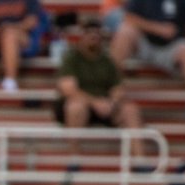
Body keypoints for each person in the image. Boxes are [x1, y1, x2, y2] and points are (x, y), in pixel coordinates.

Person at [54, 17, 146, 155]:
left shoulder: (107, 61)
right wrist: (94, 102)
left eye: (96, 33)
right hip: (83, 106)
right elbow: (68, 89)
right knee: (75, 107)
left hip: (106, 107)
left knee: (130, 110)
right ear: (82, 36)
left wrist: (111, 103)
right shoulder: (72, 58)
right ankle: (74, 158)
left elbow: (118, 89)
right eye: (89, 33)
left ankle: (141, 161)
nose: (93, 36)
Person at [109, 0, 185, 85]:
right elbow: (129, 18)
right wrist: (158, 28)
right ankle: (109, 82)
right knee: (125, 31)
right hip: (145, 44)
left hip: (173, 47)